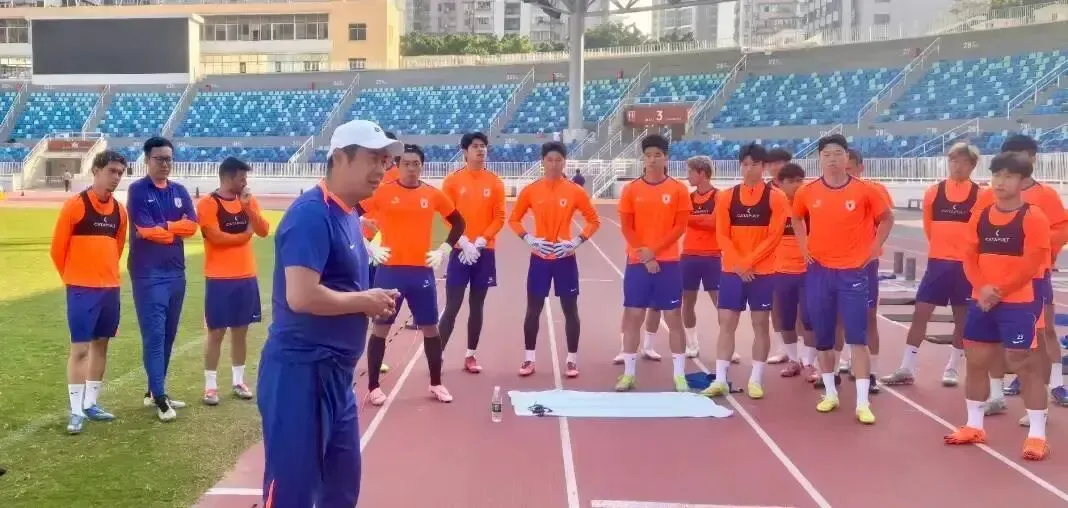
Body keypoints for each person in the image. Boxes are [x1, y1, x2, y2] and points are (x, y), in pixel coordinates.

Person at [257, 119, 401, 506]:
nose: (382, 168)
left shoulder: (349, 214)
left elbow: (342, 286)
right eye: (373, 158)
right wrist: (365, 301)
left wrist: (370, 298)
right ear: (339, 158)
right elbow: (301, 296)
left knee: (341, 489)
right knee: (293, 492)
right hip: (301, 373)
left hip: (336, 375)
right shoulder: (311, 214)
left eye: (385, 160)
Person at [944, 152, 1050, 461]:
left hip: (1018, 302)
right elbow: (969, 257)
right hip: (982, 300)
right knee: (976, 360)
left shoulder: (1033, 217)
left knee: (1024, 363)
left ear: (1022, 182)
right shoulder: (980, 215)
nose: (1000, 182)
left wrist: (998, 290)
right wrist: (982, 288)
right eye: (997, 175)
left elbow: (1031, 264)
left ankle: (1037, 435)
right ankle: (974, 426)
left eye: (1008, 176)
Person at [792, 134, 893, 424]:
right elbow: (797, 218)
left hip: (852, 272)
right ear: (819, 158)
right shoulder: (807, 191)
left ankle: (862, 402)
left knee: (856, 337)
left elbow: (887, 218)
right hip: (819, 271)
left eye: (838, 153)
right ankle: (830, 393)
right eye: (827, 154)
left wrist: (873, 250)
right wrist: (803, 247)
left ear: (846, 157)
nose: (832, 159)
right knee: (823, 338)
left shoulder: (865, 190)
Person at [355, 143, 465, 404]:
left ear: (422, 166)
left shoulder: (432, 194)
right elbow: (350, 212)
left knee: (431, 328)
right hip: (390, 272)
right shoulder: (382, 192)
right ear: (398, 165)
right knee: (381, 328)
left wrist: (444, 250)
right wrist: (368, 246)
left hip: (421, 273)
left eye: (416, 164)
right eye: (406, 163)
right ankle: (373, 387)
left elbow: (459, 222)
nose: (411, 168)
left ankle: (436, 383)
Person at [975, 135, 1068, 422]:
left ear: (1032, 159)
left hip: (1033, 277)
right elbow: (975, 233)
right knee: (992, 341)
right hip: (994, 279)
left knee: (1041, 335)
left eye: (1022, 156)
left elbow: (1062, 229)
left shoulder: (1045, 195)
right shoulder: (988, 195)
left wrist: (1034, 244)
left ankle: (1052, 389)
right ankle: (996, 395)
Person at [882, 143, 979, 388]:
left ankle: (952, 368)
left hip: (966, 267)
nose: (957, 166)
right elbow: (929, 228)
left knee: (962, 319)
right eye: (953, 161)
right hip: (938, 264)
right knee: (920, 314)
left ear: (972, 165)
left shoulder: (981, 195)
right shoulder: (934, 192)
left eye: (963, 162)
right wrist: (943, 250)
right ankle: (907, 367)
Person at [50, 150, 128, 434]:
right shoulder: (75, 206)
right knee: (80, 349)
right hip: (82, 289)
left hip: (110, 288)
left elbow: (117, 247)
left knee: (101, 344)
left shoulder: (120, 211)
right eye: (111, 171)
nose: (116, 177)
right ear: (96, 171)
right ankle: (75, 411)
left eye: (120, 173)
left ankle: (91, 403)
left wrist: (105, 274)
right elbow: (57, 250)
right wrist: (75, 279)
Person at [703, 143, 788, 399]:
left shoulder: (776, 197)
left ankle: (756, 379)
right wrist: (738, 263)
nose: (749, 169)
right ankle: (720, 379)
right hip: (733, 270)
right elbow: (722, 234)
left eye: (755, 164)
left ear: (764, 167)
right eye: (745, 164)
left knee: (760, 324)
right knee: (726, 323)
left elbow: (774, 236)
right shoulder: (727, 197)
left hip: (762, 272)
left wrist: (749, 261)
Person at [509, 141, 600, 377]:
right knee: (533, 309)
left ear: (564, 162)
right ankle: (529, 359)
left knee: (570, 309)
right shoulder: (531, 190)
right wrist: (529, 238)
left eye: (558, 160)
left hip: (565, 258)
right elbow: (514, 219)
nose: (554, 164)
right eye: (549, 160)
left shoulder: (575, 191)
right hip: (539, 257)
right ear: (542, 162)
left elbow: (594, 220)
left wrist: (576, 241)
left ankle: (572, 360)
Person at [128, 136, 198, 421]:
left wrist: (166, 227)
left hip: (176, 272)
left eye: (169, 159)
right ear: (147, 160)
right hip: (148, 274)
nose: (165, 164)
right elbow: (145, 230)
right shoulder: (137, 190)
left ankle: (153, 390)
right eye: (159, 159)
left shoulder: (179, 190)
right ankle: (159, 396)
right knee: (155, 335)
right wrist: (172, 231)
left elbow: (192, 226)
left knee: (168, 335)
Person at [616, 134, 691, 392]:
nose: (652, 160)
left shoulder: (679, 189)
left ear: (666, 158)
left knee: (673, 317)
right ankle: (628, 374)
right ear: (643, 158)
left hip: (668, 263)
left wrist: (654, 253)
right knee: (634, 316)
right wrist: (644, 255)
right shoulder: (631, 189)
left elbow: (679, 227)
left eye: (657, 155)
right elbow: (627, 227)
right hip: (637, 262)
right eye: (648, 155)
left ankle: (679, 375)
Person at [195, 157, 270, 406]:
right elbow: (216, 238)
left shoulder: (248, 201)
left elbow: (263, 230)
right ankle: (210, 386)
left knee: (241, 331)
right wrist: (245, 235)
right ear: (228, 178)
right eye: (242, 178)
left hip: (246, 276)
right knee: (216, 332)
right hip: (219, 278)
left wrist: (249, 209)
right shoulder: (208, 204)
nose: (245, 182)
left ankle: (238, 381)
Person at [439, 131, 506, 373]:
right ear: (465, 151)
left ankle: (470, 355)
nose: (480, 150)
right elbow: (445, 216)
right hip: (460, 251)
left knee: (477, 305)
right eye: (475, 146)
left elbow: (499, 217)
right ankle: (438, 354)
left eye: (483, 146)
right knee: (452, 305)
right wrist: (463, 241)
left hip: (484, 252)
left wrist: (480, 241)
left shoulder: (495, 182)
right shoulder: (453, 181)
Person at [834, 148, 892, 392]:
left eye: (850, 168)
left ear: (860, 167)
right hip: (837, 264)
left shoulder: (873, 190)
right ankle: (835, 369)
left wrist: (873, 248)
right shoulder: (830, 190)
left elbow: (885, 220)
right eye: (843, 168)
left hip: (864, 265)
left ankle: (872, 373)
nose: (846, 173)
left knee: (868, 317)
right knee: (838, 317)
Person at [772, 163, 817, 379]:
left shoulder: (812, 207)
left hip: (809, 272)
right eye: (791, 181)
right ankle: (793, 360)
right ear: (779, 184)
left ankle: (809, 363)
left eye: (800, 180)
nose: (797, 185)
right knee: (786, 320)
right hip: (781, 272)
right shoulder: (774, 207)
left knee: (809, 319)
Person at [679, 156, 720, 359]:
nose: (687, 176)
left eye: (690, 172)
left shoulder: (719, 196)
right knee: (687, 302)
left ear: (702, 173)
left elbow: (714, 223)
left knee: (721, 303)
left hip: (712, 256)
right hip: (689, 255)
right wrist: (702, 219)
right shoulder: (688, 197)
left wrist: (691, 218)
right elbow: (681, 219)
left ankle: (727, 344)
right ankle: (692, 343)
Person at [764, 147, 794, 364]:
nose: (776, 167)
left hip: (797, 259)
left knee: (800, 310)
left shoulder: (799, 188)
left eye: (780, 162)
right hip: (771, 258)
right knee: (775, 305)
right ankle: (782, 347)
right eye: (772, 163)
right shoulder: (763, 191)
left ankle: (801, 353)